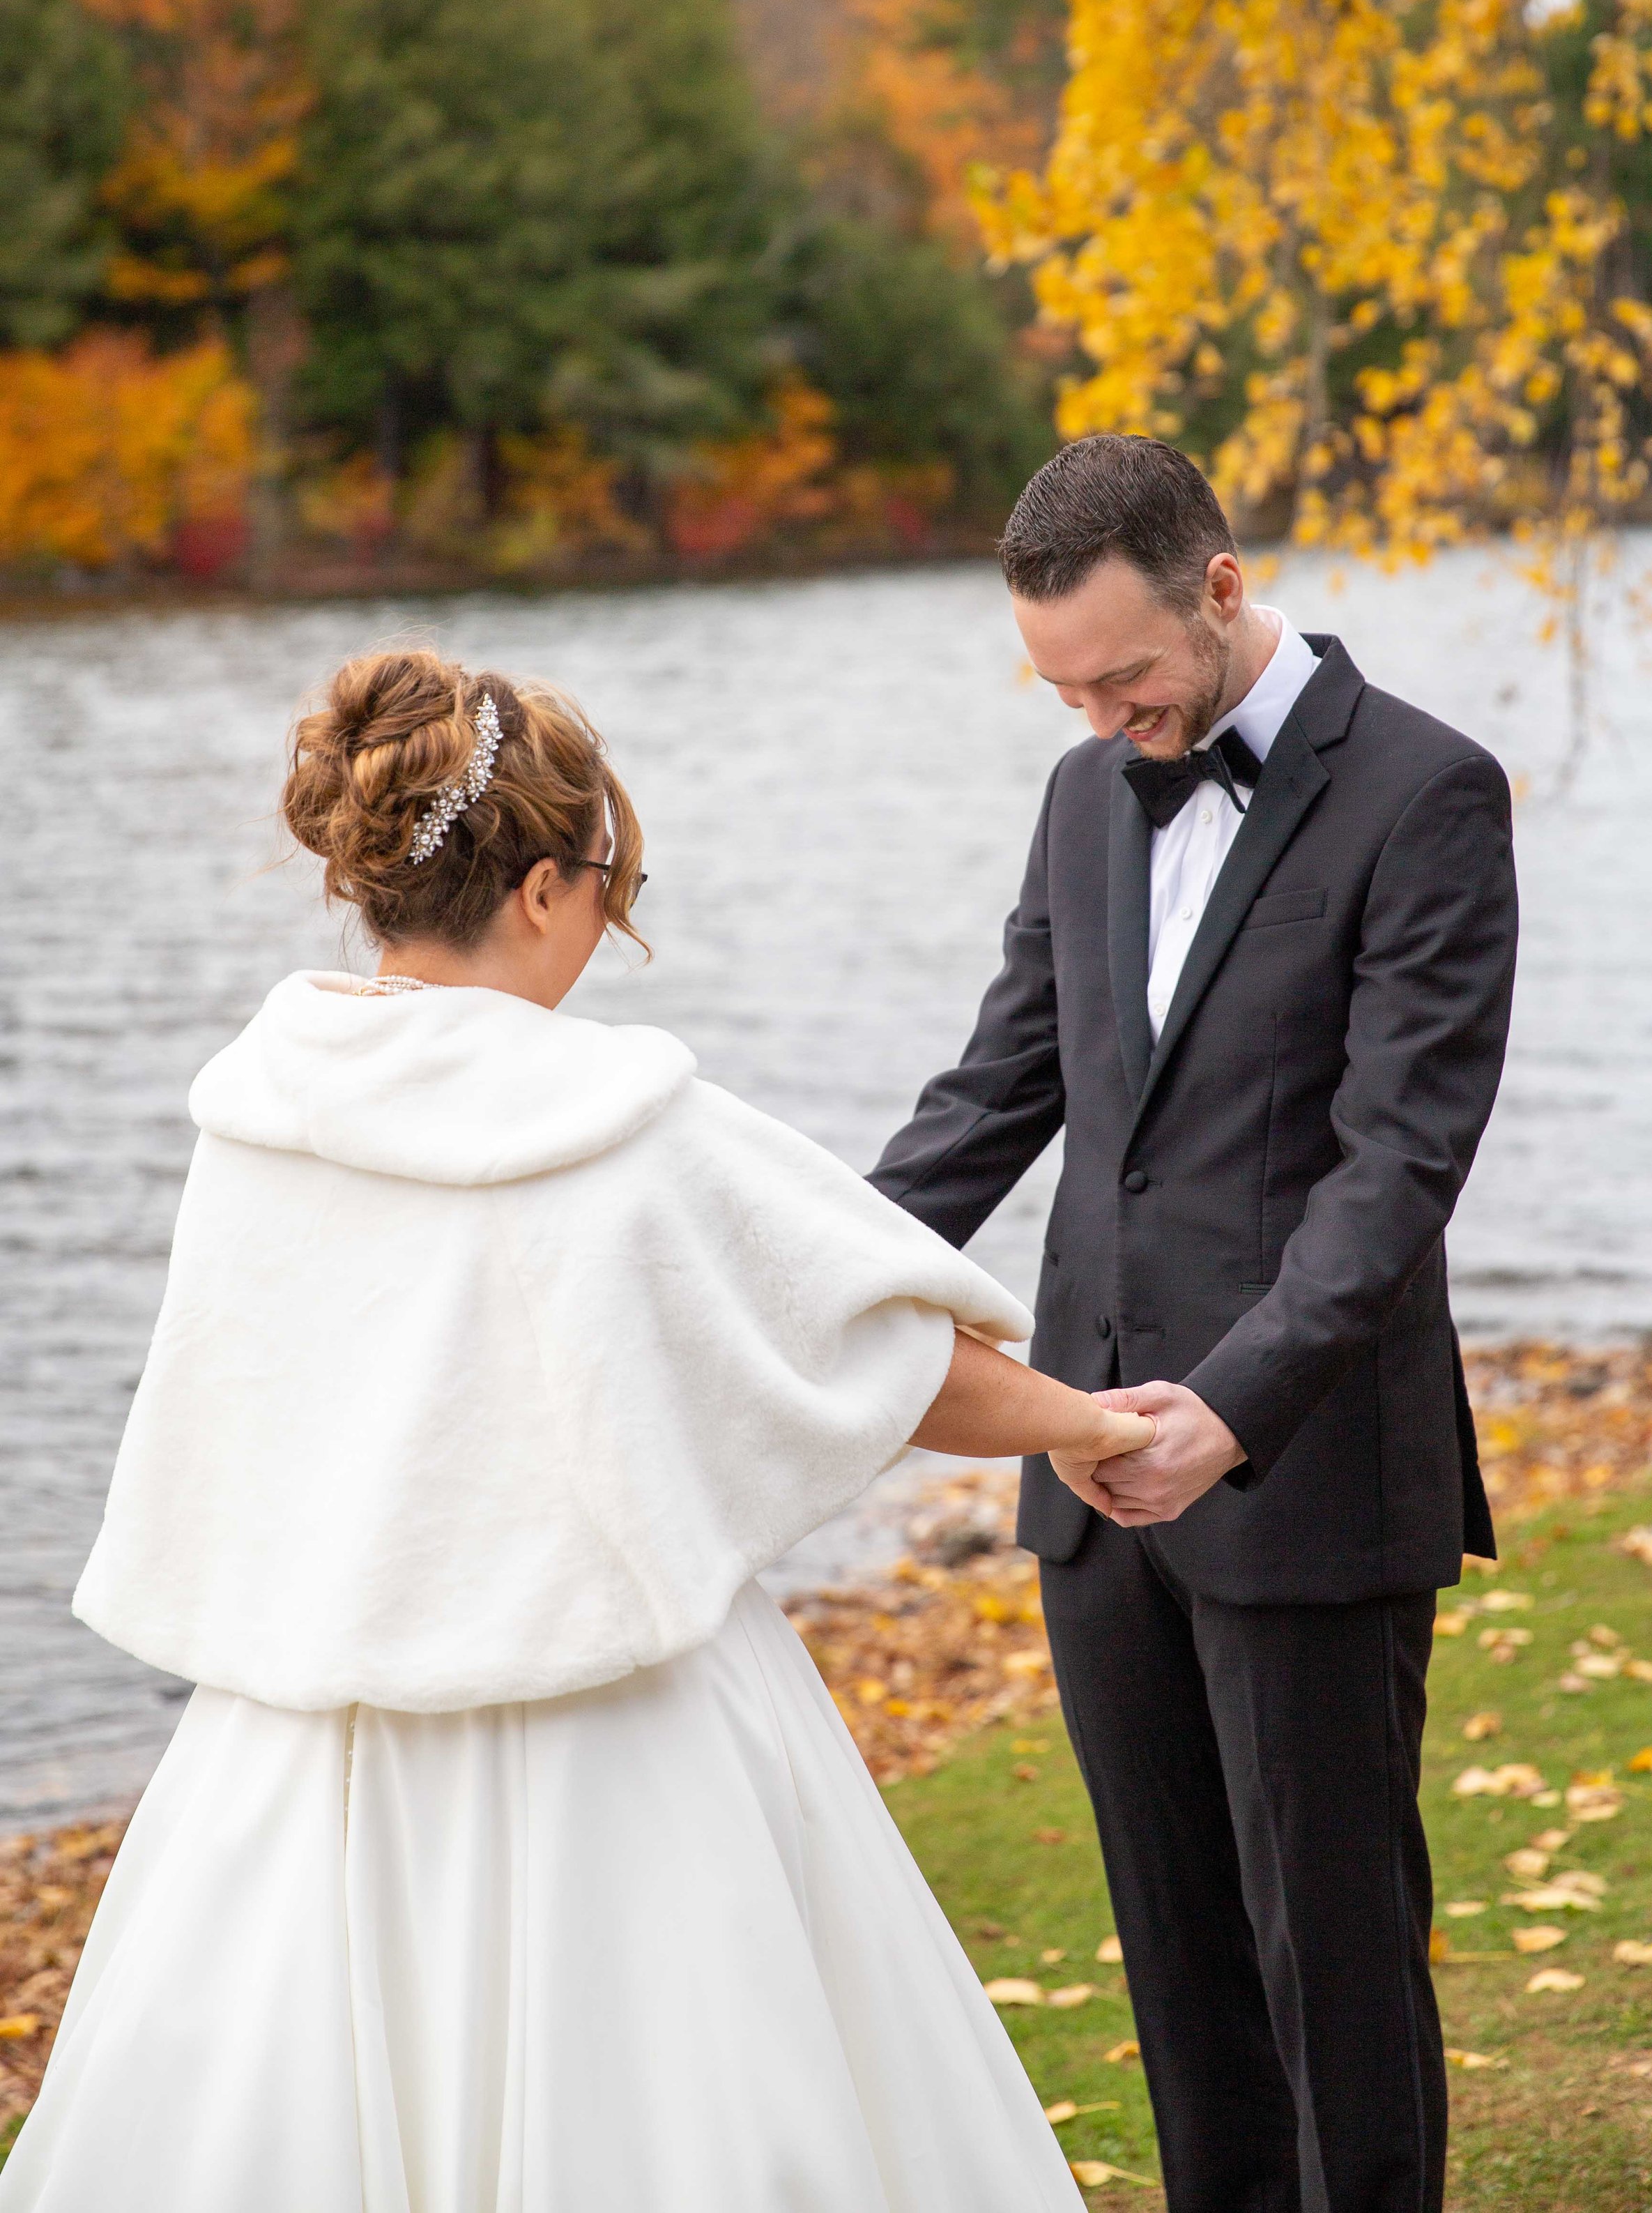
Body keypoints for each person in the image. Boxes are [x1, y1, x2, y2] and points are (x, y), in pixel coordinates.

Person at [1, 648, 1157, 2213]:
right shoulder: (612, 1111)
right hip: (614, 1740)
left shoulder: (256, 1115)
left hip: (305, 1748)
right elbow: (878, 1343)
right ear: (543, 886)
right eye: (612, 882)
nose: (610, 923)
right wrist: (1080, 1423)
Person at [871, 434, 1519, 2213]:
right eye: (1062, 690)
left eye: (1123, 678)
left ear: (1218, 589)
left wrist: (1229, 1410)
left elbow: (1396, 1170)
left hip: (1296, 1469)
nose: (1099, 722)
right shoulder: (1087, 793)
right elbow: (996, 1093)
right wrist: (806, 1274)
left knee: (1335, 1957)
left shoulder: (1427, 792)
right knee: (1175, 1960)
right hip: (1088, 1474)